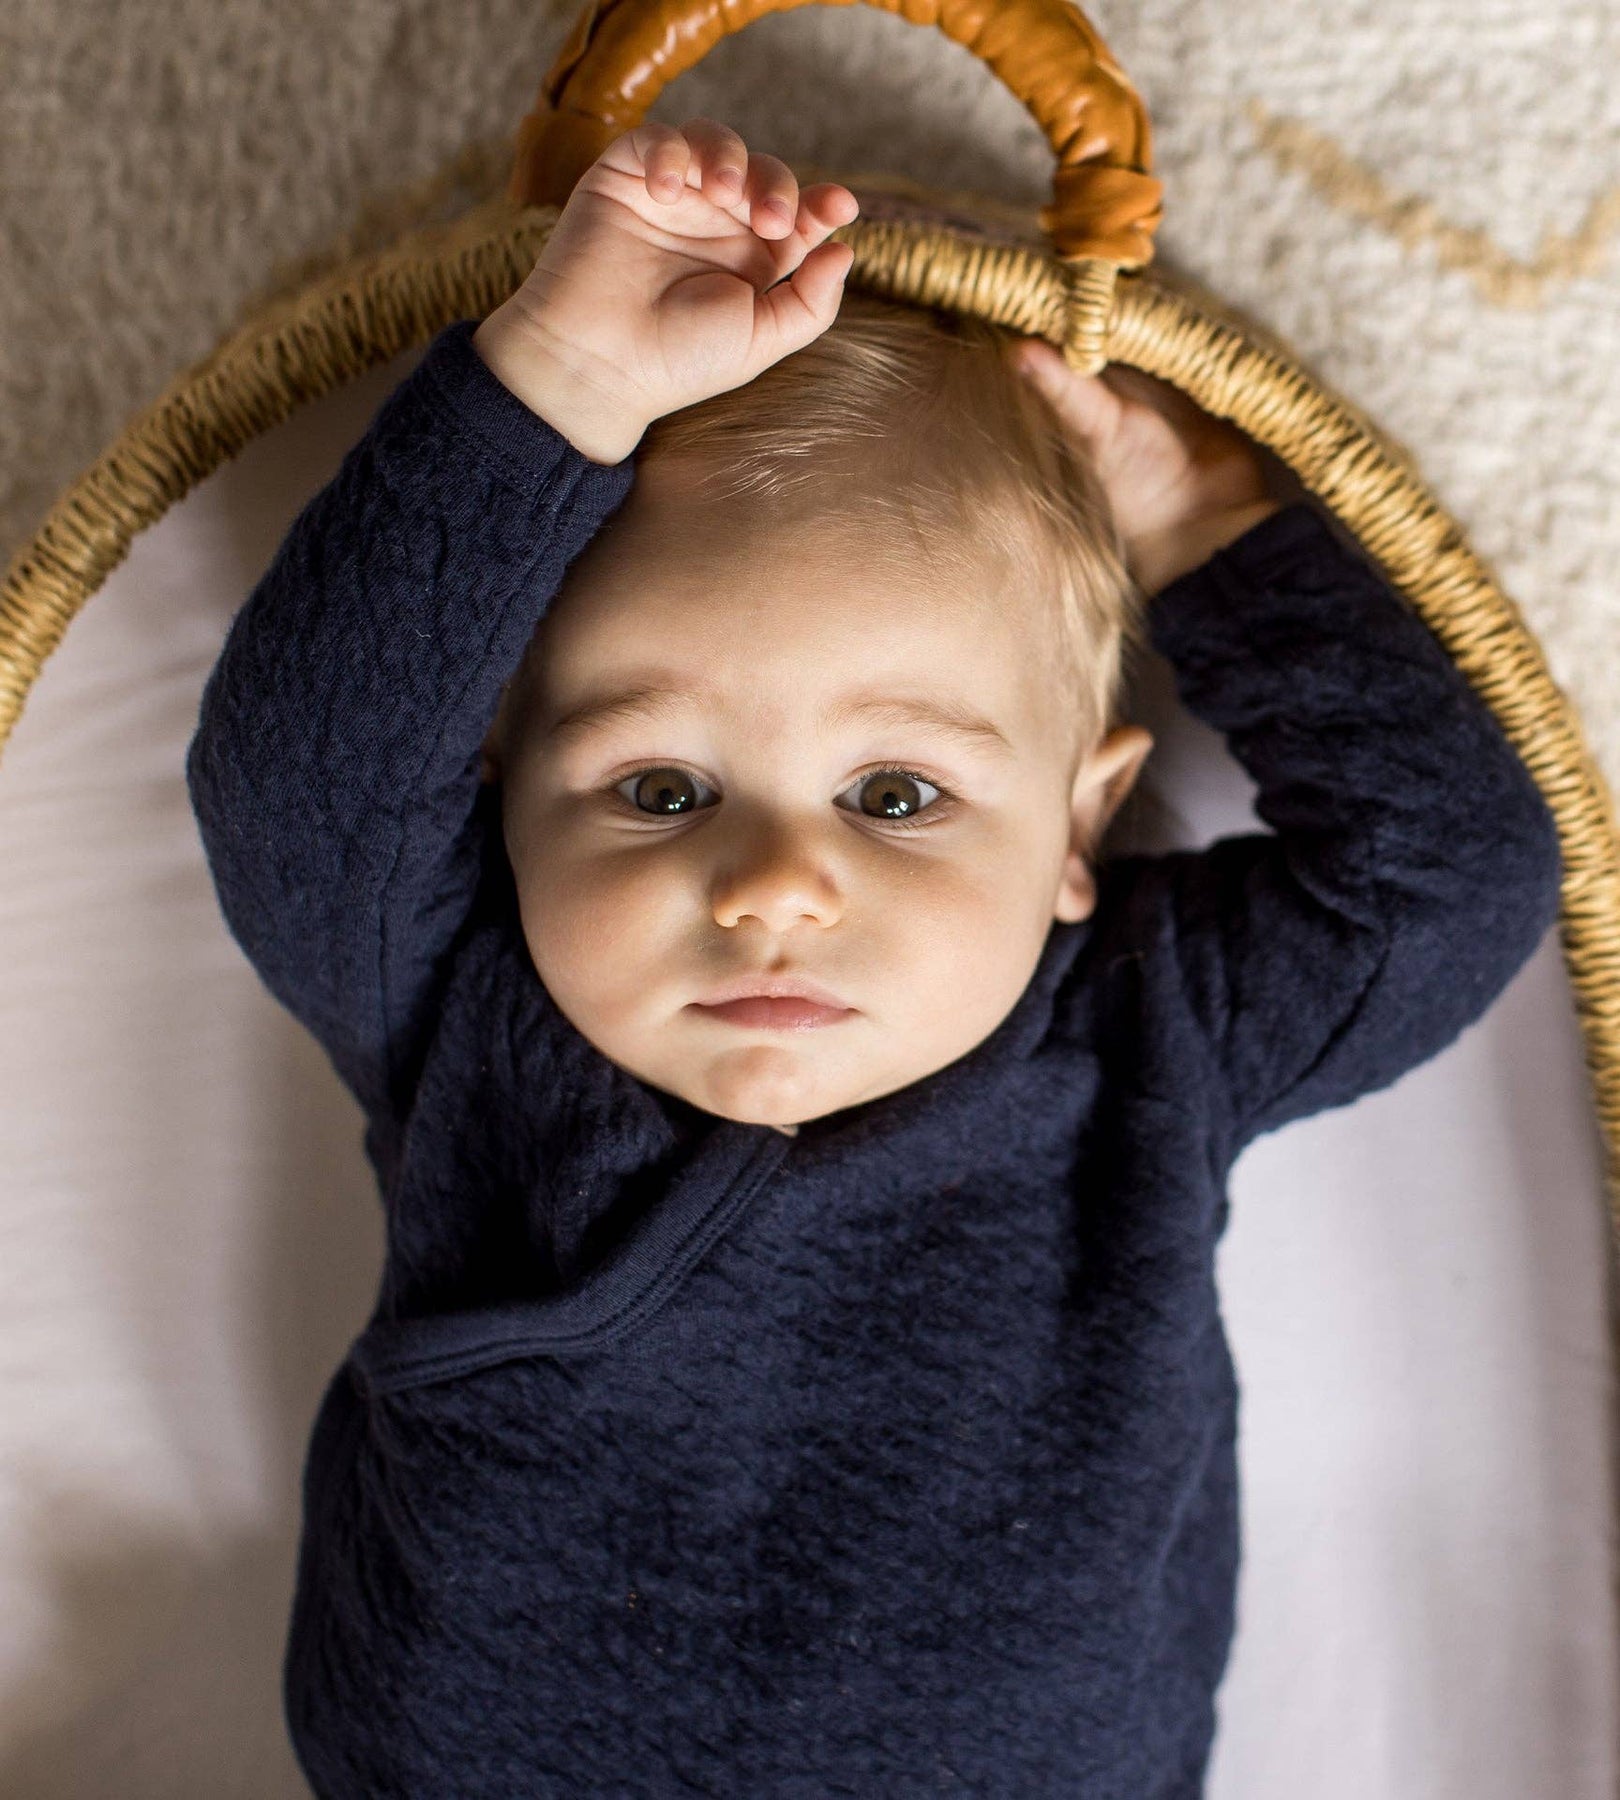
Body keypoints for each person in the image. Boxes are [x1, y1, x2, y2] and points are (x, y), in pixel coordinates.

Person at [185, 115, 1563, 1798]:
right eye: (659, 788)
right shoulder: (464, 993)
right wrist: (552, 386)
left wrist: (1204, 521)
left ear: (1077, 829)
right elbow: (302, 773)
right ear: (500, 790)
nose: (775, 887)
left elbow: (1456, 871)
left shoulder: (1147, 1032)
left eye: (897, 796)